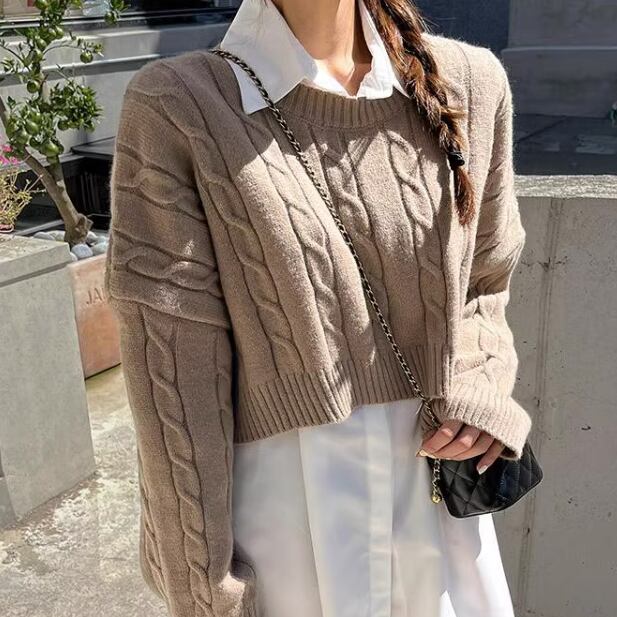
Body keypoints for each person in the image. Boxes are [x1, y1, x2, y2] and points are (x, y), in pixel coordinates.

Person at [104, 0, 532, 616]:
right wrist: (205, 589)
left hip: (440, 511)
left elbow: (485, 279)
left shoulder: (470, 83)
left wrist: (481, 383)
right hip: (288, 528)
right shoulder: (179, 105)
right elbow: (173, 373)